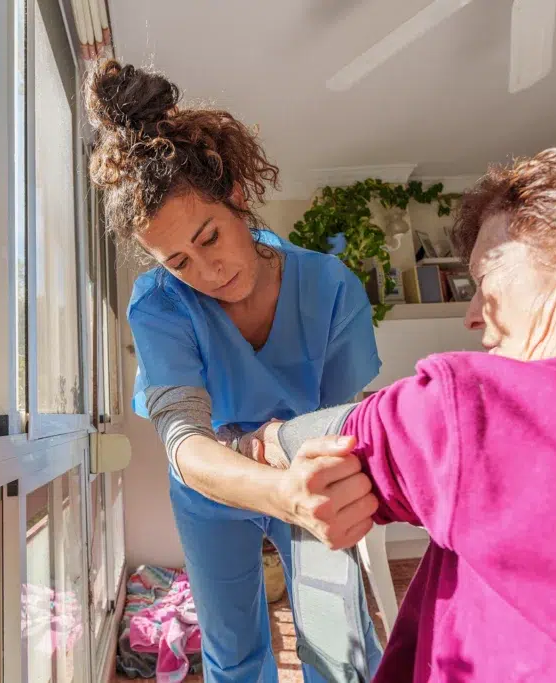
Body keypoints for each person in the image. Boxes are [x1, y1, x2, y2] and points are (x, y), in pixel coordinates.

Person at [253, 120, 556, 682]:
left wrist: (256, 439)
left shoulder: (481, 411)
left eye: (486, 277)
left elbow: (304, 442)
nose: (469, 316)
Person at [86, 60, 384, 682]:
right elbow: (185, 444)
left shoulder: (330, 287)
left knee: (340, 642)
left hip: (308, 467)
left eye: (209, 237)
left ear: (237, 197)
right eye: (179, 260)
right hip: (214, 490)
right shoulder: (160, 304)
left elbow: (338, 427)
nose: (207, 270)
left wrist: (289, 474)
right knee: (232, 649)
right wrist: (271, 487)